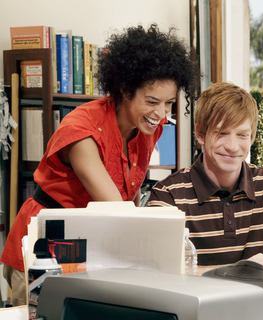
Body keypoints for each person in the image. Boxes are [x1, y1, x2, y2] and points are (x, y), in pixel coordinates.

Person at [0, 24, 199, 306]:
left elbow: (128, 194)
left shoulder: (150, 128)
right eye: (152, 101)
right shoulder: (82, 130)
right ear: (124, 89)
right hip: (46, 243)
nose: (161, 114)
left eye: (168, 103)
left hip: (92, 243)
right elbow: (116, 209)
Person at [148, 82, 263, 269]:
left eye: (242, 135)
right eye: (222, 133)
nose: (232, 146)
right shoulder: (167, 195)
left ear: (252, 137)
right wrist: (239, 272)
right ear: (200, 134)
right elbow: (163, 275)